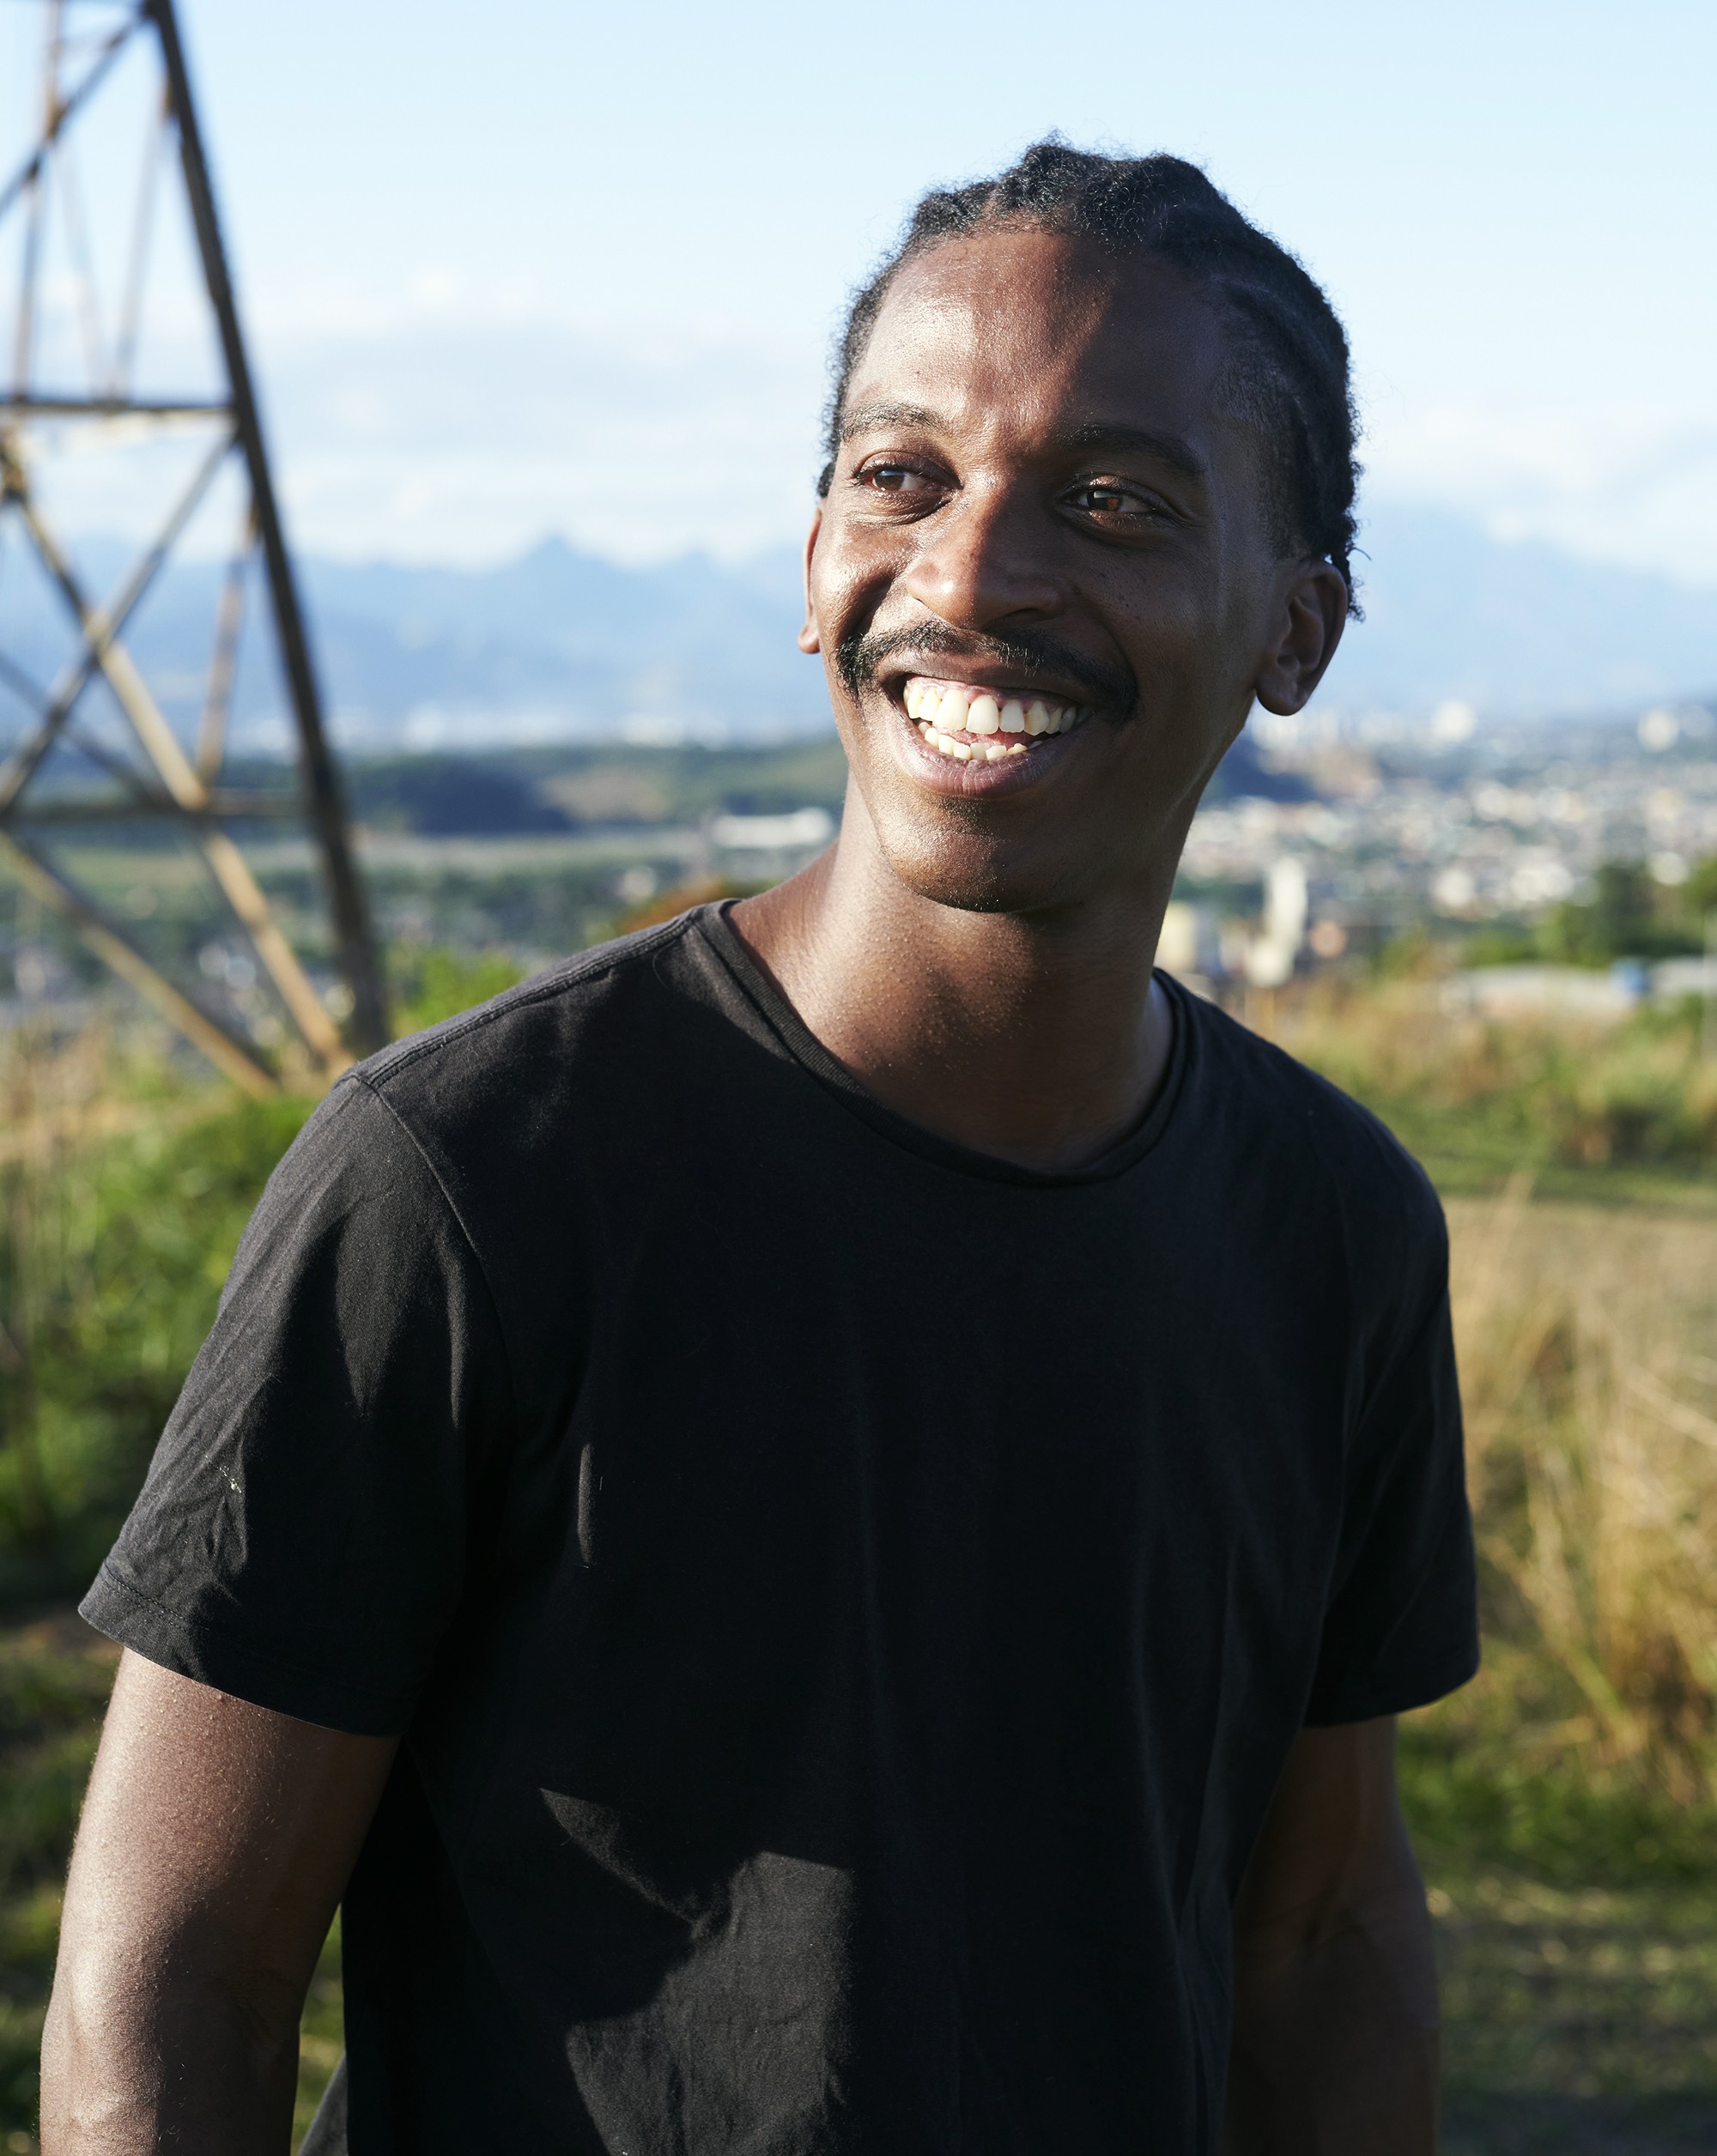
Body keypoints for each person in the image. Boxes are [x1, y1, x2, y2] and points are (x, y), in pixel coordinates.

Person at [41, 142, 1477, 2155]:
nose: (970, 576)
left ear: (1295, 629)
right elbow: (175, 1975)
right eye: (902, 477)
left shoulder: (1331, 1229)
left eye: (1115, 501)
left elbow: (1317, 1934)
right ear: (815, 561)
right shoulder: (470, 1180)